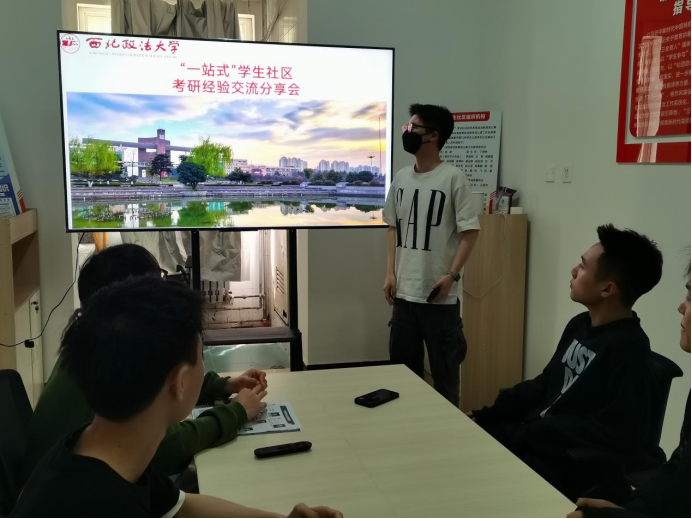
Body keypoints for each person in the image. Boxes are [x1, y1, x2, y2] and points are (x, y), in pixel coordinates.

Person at [11, 276, 342, 518]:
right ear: (181, 383)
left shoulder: (97, 451)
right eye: (201, 356)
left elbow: (182, 506)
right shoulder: (104, 503)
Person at [24, 244, 268, 480]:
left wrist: (222, 385)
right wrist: (236, 412)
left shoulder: (95, 348)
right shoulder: (113, 363)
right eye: (155, 287)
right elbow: (166, 448)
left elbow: (155, 380)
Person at [466, 225, 664, 501]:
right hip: (533, 438)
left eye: (582, 267)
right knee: (464, 441)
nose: (573, 271)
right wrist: (486, 414)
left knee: (471, 474)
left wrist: (542, 430)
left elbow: (622, 434)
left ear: (607, 289)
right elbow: (546, 383)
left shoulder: (629, 349)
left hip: (564, 462)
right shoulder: (580, 324)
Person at [567, 260, 691, 518]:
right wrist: (630, 510)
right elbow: (678, 471)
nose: (681, 307)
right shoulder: (578, 325)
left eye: (690, 299)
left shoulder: (628, 348)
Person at [383, 103, 480, 407]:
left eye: (413, 128)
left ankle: (448, 433)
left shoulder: (453, 178)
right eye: (407, 127)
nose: (407, 132)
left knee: (445, 376)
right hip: (404, 295)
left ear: (433, 135)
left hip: (439, 298)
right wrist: (390, 273)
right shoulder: (401, 178)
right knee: (402, 376)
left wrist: (451, 276)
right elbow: (392, 227)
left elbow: (470, 232)